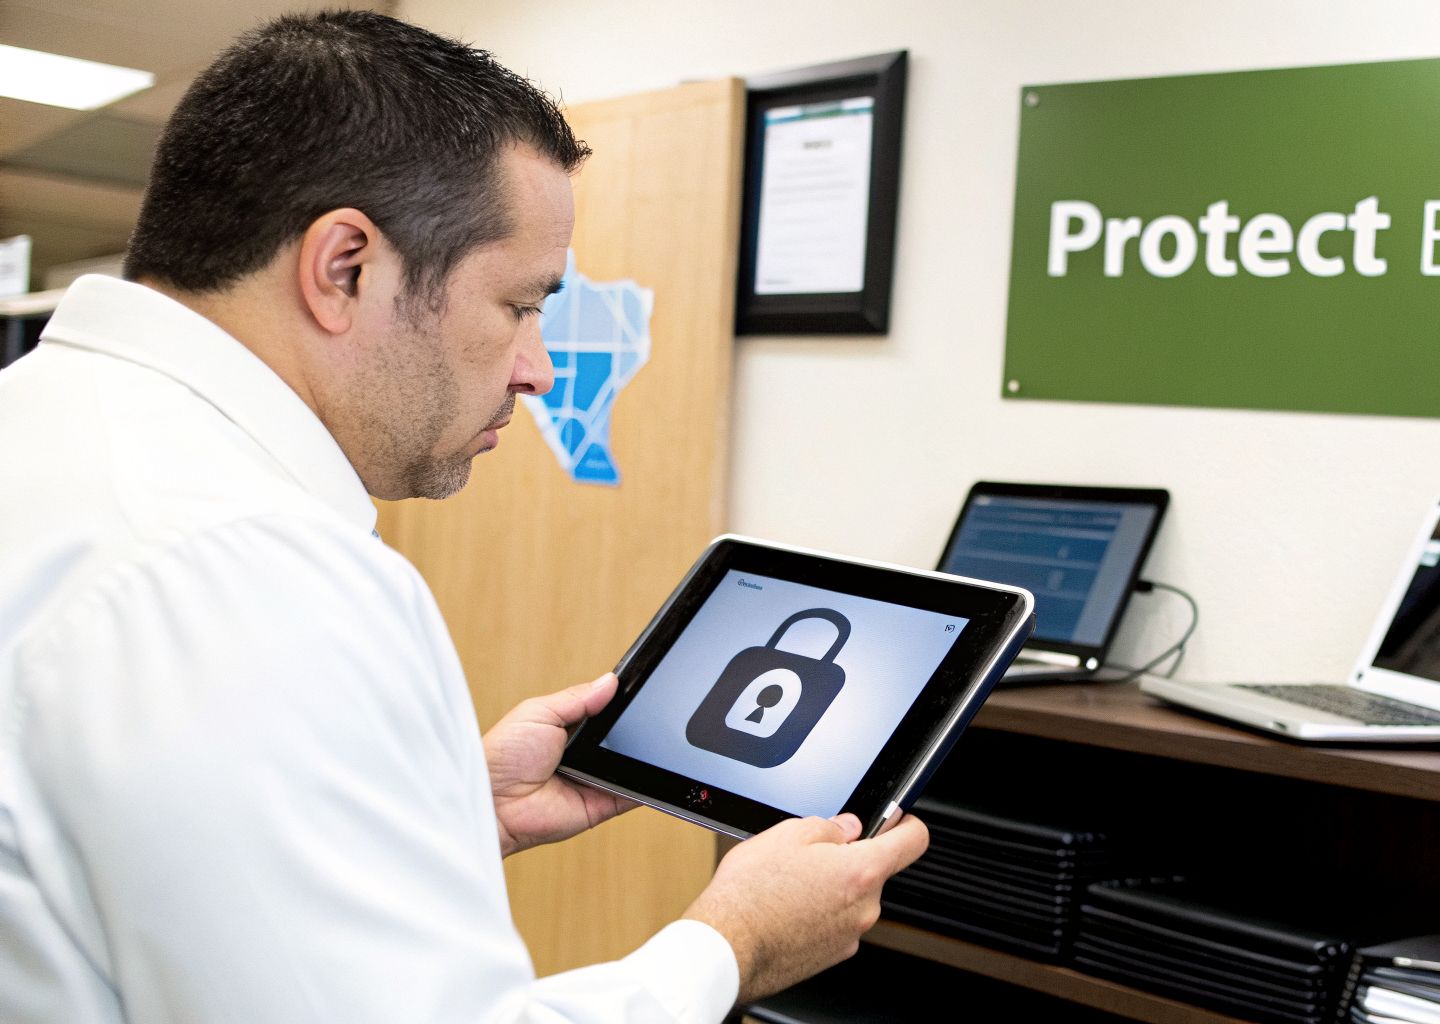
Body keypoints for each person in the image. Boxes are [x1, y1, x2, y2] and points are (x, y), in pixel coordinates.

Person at [0, 10, 927, 1023]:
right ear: (345, 266)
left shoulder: (52, 431)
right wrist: (731, 944)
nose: (535, 368)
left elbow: (152, 855)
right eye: (520, 305)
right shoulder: (250, 573)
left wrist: (434, 808)